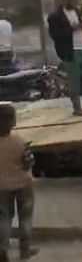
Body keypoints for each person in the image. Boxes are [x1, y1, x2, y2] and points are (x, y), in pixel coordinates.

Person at [0, 103, 38, 262]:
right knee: (25, 218)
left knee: (4, 218)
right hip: (23, 184)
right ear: (13, 122)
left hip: (1, 187)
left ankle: (2, 249)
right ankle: (25, 250)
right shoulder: (19, 141)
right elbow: (28, 163)